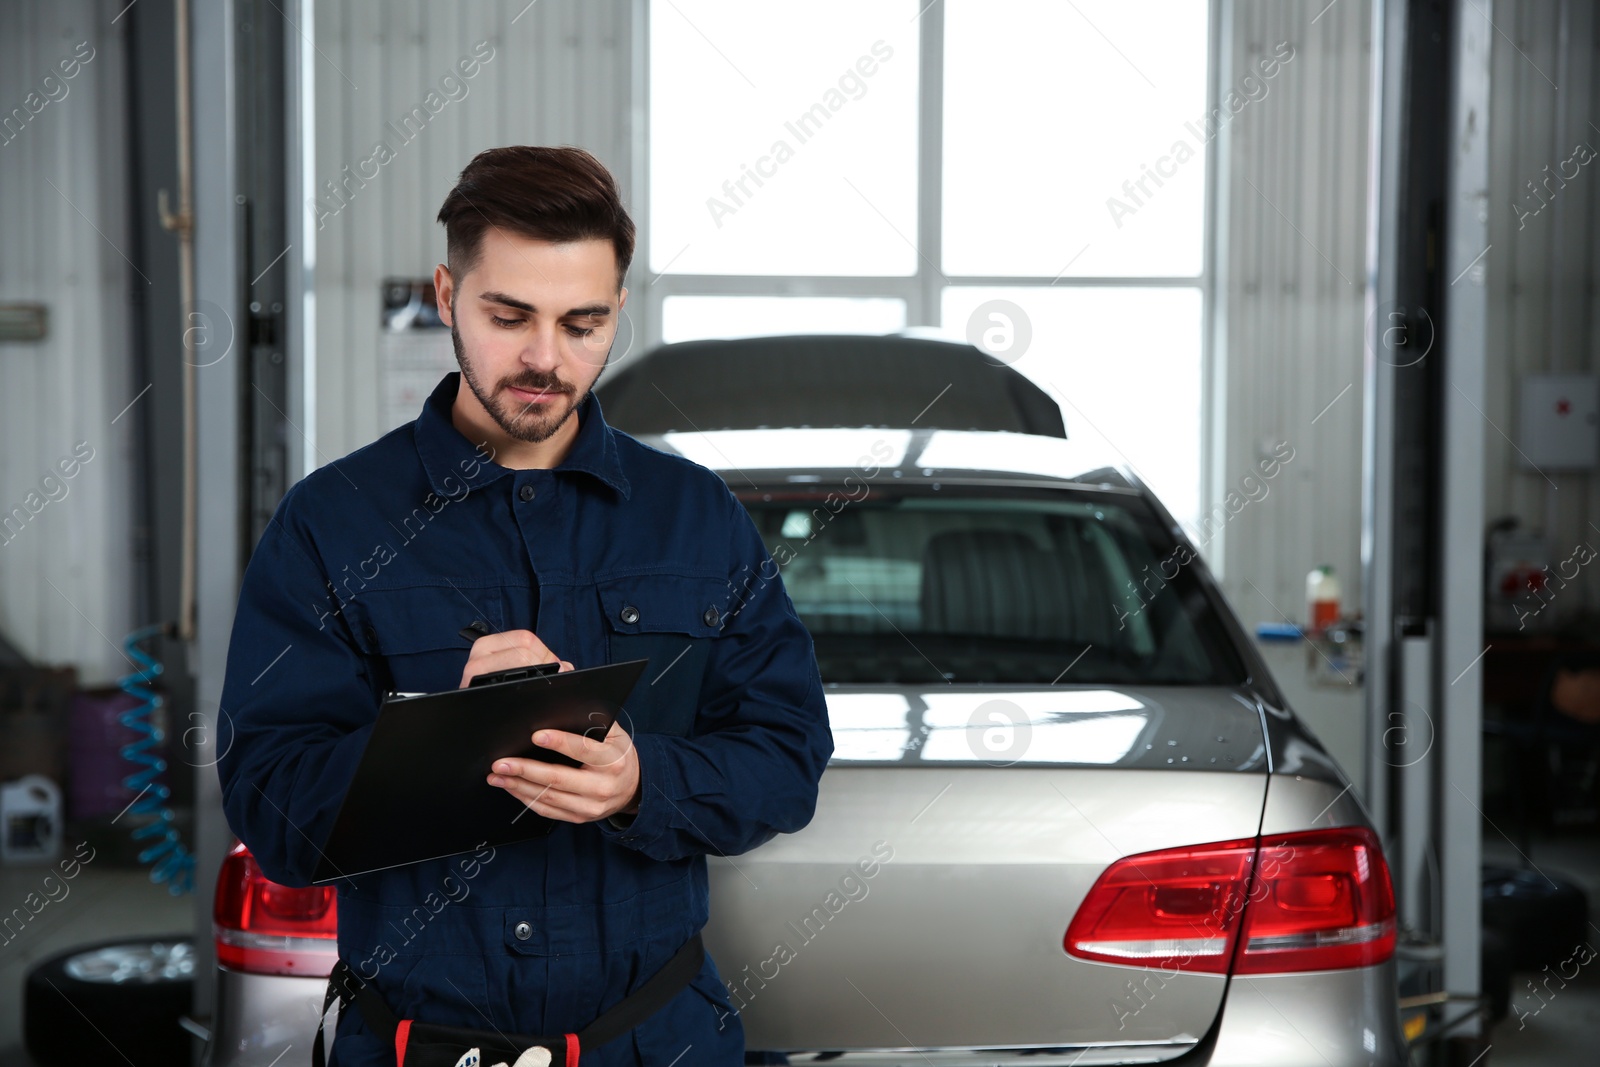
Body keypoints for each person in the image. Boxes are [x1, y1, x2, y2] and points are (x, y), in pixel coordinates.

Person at [216, 145, 833, 1066]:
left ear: (619, 310)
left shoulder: (696, 516)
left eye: (583, 323)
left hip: (656, 1042)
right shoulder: (331, 524)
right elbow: (271, 804)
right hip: (416, 1046)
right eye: (509, 316)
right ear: (445, 294)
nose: (546, 358)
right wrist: (439, 741)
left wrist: (641, 783)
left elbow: (787, 756)